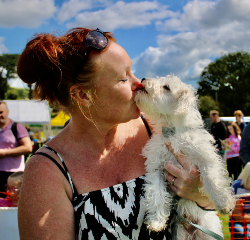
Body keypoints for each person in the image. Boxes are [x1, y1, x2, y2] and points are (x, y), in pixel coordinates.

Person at [17, 28, 216, 239]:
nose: (139, 83)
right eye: (123, 79)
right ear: (83, 95)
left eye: (132, 71)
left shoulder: (157, 128)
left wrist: (200, 193)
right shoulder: (47, 170)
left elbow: (210, 206)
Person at [0, 101, 32, 198]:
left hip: (13, 175)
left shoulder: (16, 127)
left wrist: (4, 153)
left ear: (7, 112)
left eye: (1, 112)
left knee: (12, 203)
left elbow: (28, 147)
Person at [230, 162, 250, 239]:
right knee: (239, 231)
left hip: (245, 217)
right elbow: (236, 215)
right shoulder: (237, 186)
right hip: (238, 220)